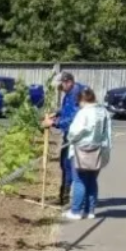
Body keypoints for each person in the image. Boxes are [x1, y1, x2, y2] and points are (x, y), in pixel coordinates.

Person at [64, 88, 111, 221]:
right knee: (92, 181)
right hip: (100, 150)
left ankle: (76, 211)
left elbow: (75, 132)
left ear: (82, 100)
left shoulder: (83, 113)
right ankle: (90, 211)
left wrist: (70, 138)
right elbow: (108, 134)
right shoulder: (104, 112)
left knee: (79, 181)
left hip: (82, 151)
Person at [44, 72, 86, 206]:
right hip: (70, 134)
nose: (59, 89)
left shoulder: (79, 94)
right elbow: (66, 110)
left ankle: (70, 201)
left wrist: (55, 123)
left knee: (72, 167)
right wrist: (56, 114)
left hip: (78, 137)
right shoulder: (70, 93)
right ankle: (64, 198)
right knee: (64, 164)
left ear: (68, 82)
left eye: (61, 85)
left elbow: (75, 118)